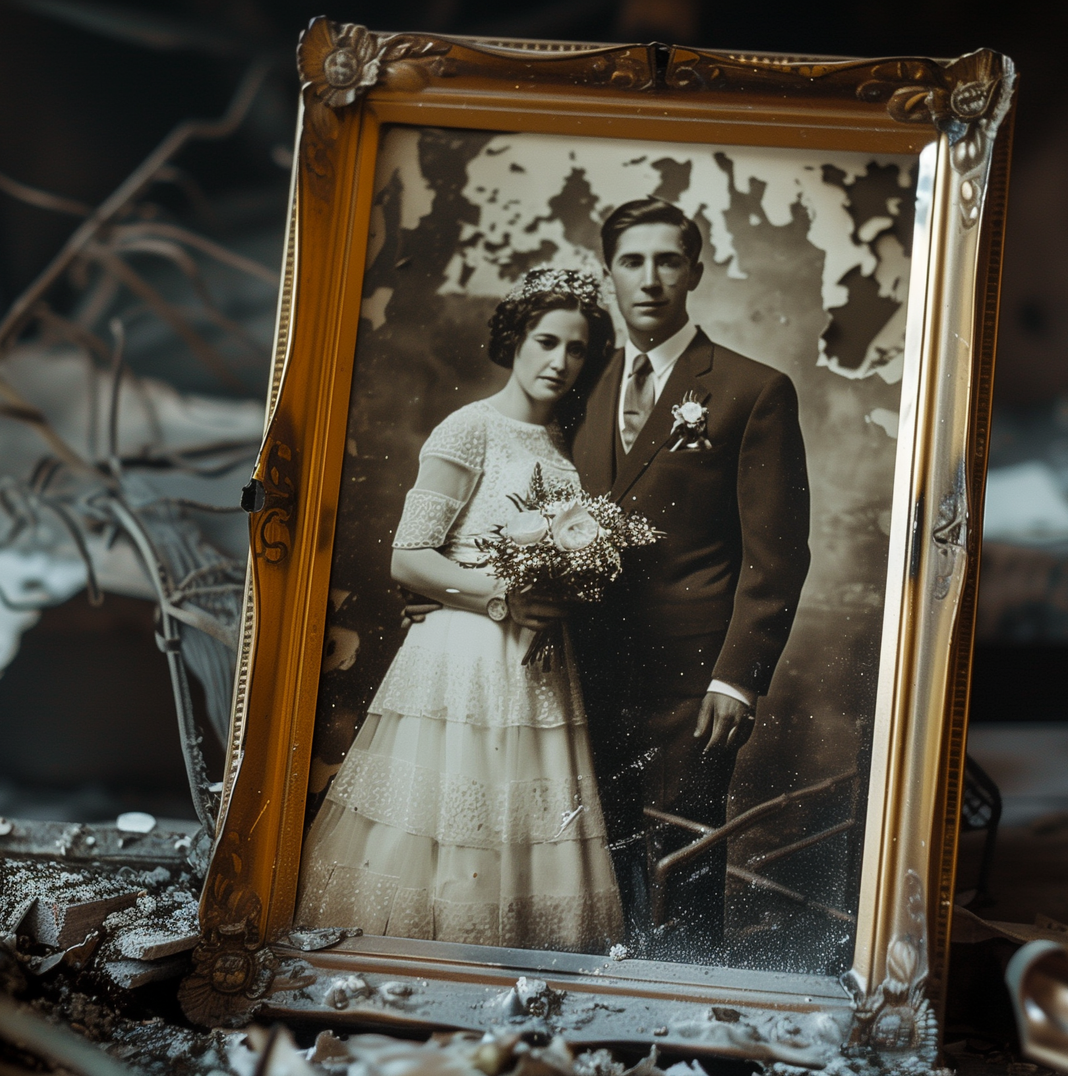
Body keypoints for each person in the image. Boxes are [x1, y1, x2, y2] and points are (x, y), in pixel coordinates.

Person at [297, 268, 624, 952]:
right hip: (467, 653)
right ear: (515, 340)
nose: (560, 361)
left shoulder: (565, 443)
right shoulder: (468, 430)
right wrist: (503, 597)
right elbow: (408, 556)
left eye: (576, 350)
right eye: (545, 341)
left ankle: (515, 976)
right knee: (447, 816)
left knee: (527, 816)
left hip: (538, 660)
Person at [572, 198, 812, 957]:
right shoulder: (577, 383)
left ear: (695, 272)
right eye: (633, 261)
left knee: (683, 847)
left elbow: (777, 554)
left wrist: (737, 679)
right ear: (609, 272)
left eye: (667, 260)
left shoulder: (751, 388)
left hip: (692, 677)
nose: (650, 279)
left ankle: (688, 1003)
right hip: (582, 662)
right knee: (592, 849)